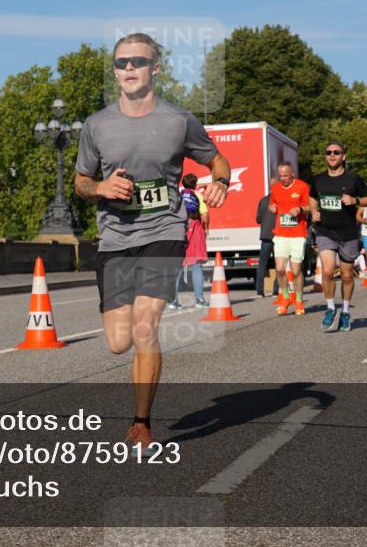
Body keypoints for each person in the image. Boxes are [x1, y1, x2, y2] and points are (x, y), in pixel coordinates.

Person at [74, 32, 230, 452]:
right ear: (114, 70)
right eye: (122, 62)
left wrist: (221, 182)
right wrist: (101, 188)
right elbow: (81, 182)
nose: (129, 69)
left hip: (163, 231)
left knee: (146, 326)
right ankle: (139, 406)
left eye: (138, 62)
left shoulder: (178, 120)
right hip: (114, 239)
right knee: (118, 341)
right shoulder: (97, 125)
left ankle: (141, 423)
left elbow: (216, 158)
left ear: (155, 68)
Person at [309, 142, 367, 332]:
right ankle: (330, 308)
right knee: (327, 271)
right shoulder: (318, 179)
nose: (332, 155)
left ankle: (345, 311)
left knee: (346, 275)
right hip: (325, 231)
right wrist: (313, 210)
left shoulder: (354, 179)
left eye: (336, 152)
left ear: (343, 156)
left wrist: (355, 200)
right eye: (329, 152)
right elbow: (312, 197)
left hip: (348, 234)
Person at [268, 162, 311, 315]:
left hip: (298, 234)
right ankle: (285, 298)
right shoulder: (275, 188)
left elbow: (309, 206)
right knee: (279, 269)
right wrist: (272, 208)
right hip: (280, 234)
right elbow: (272, 204)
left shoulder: (302, 186)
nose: (283, 179)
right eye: (280, 176)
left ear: (292, 174)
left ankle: (299, 301)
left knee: (296, 270)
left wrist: (299, 209)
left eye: (285, 176)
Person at [169, 174, 209, 309]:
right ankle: (199, 299)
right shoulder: (197, 195)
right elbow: (204, 215)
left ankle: (173, 301)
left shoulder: (179, 195)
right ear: (195, 184)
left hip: (179, 229)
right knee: (196, 265)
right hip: (195, 229)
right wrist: (206, 228)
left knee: (177, 266)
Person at [255, 179, 278, 297]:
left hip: (265, 235)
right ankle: (276, 291)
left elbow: (258, 219)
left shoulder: (263, 200)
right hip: (278, 235)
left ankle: (260, 291)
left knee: (262, 263)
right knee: (279, 264)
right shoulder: (280, 200)